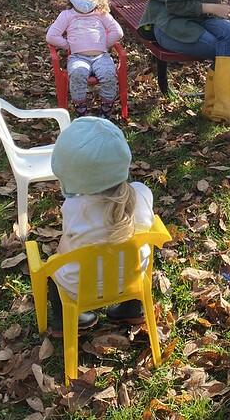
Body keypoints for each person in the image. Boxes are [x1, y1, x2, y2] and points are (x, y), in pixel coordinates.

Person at [48, 117, 155, 333]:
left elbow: (65, 250)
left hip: (80, 288)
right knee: (133, 256)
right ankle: (133, 309)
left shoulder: (75, 207)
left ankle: (66, 321)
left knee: (53, 271)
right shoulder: (142, 194)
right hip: (131, 279)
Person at [46, 0, 124, 118]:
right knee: (77, 74)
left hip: (101, 56)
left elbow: (117, 32)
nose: (85, 1)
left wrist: (103, 44)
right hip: (77, 57)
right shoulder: (67, 15)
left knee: (108, 75)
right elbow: (51, 36)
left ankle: (106, 110)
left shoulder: (101, 14)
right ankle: (81, 109)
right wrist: (68, 45)